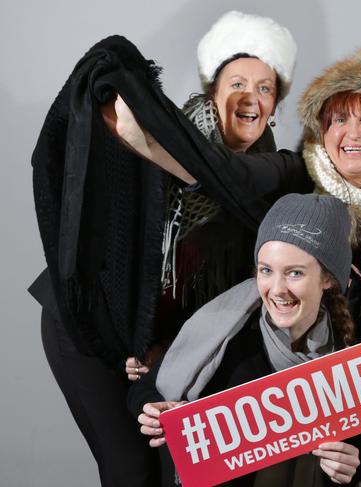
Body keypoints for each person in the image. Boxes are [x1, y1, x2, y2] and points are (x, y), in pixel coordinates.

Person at [29, 11, 301, 486]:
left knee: (170, 466)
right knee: (129, 469)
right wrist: (125, 339)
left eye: (265, 88)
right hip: (88, 323)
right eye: (237, 82)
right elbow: (99, 238)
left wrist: (156, 346)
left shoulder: (273, 174)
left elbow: (224, 290)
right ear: (212, 92)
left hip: (159, 344)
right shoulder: (149, 146)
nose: (250, 98)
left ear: (275, 105)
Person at [114, 48, 361, 340]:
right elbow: (228, 174)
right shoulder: (294, 172)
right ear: (322, 130)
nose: (353, 133)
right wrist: (146, 132)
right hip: (273, 349)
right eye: (339, 119)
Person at [129, 193, 361, 486]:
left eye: (295, 273)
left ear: (327, 278)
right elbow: (147, 388)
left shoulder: (344, 360)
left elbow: (344, 460)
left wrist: (345, 472)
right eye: (266, 270)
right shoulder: (224, 328)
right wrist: (154, 410)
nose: (277, 289)